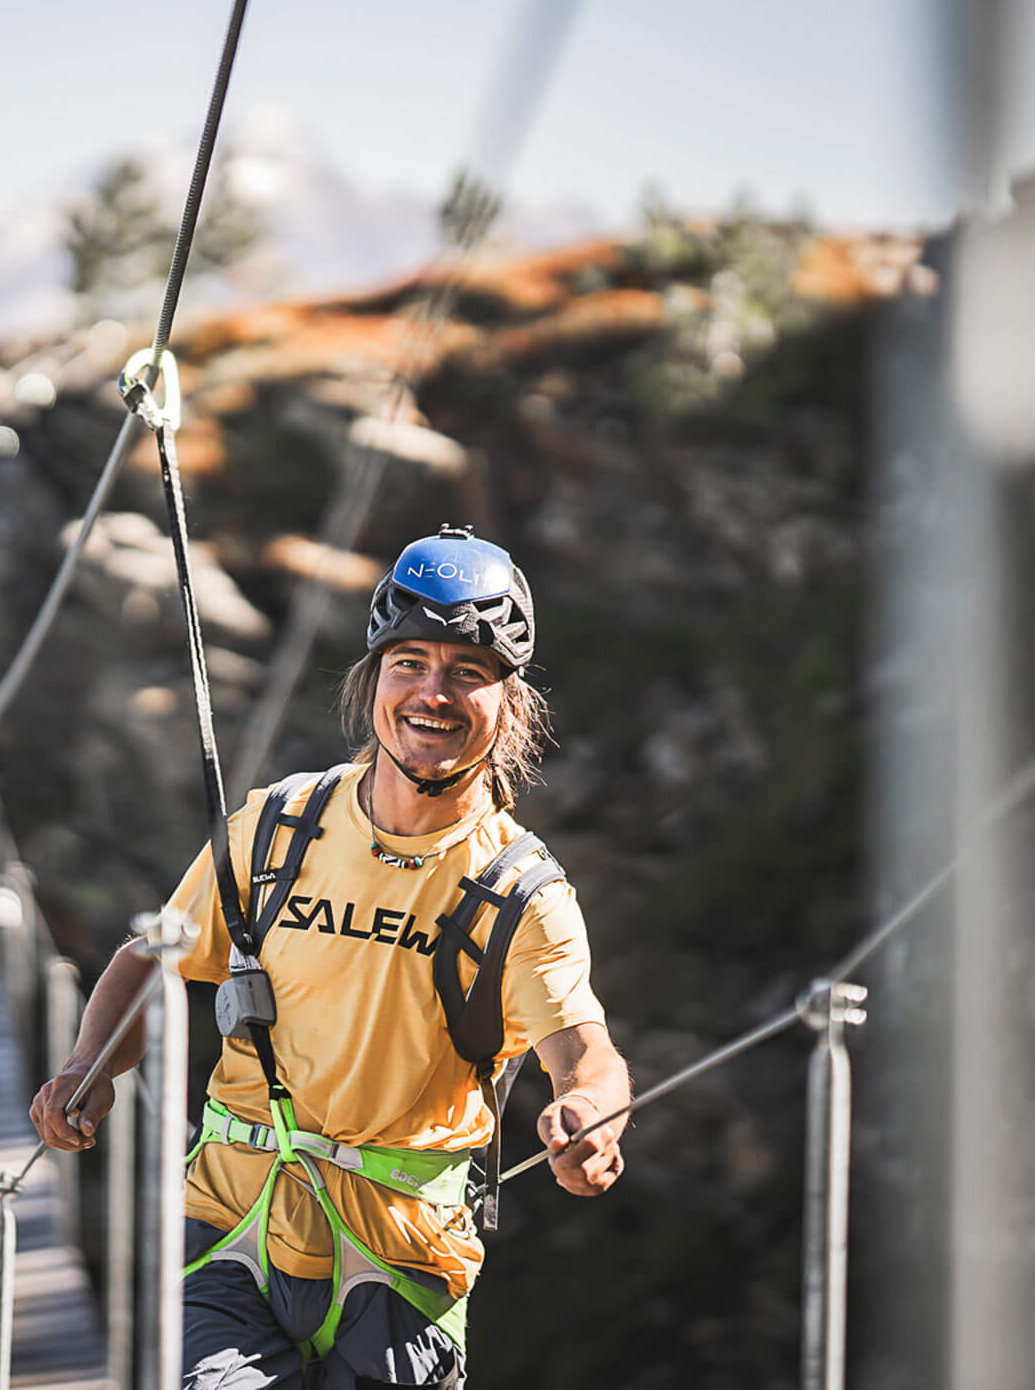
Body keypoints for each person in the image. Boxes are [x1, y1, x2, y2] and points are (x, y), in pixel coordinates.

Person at [31, 525, 628, 1389]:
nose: (434, 692)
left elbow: (585, 1053)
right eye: (409, 663)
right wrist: (90, 1065)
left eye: (468, 670)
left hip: (402, 1270)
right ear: (373, 680)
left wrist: (590, 1117)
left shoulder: (519, 890)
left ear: (510, 701)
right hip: (232, 1233)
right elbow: (151, 961)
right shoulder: (276, 828)